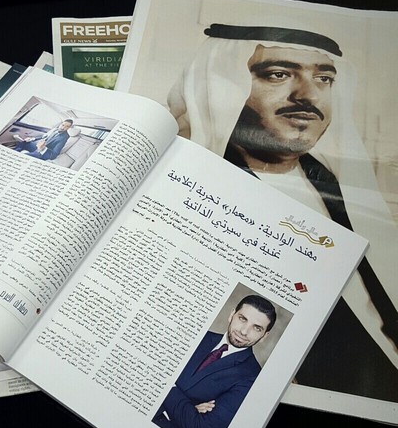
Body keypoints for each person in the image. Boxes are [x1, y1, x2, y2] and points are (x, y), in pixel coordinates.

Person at [167, 23, 398, 401]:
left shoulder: (333, 180)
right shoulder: (196, 186)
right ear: (223, 87)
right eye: (278, 74)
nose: (308, 96)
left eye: (324, 79)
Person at [152, 295, 276, 428]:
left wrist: (168, 384)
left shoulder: (252, 378)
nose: (244, 331)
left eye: (257, 328)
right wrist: (189, 408)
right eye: (242, 319)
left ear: (264, 336)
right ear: (232, 315)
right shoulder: (197, 334)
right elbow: (147, 369)